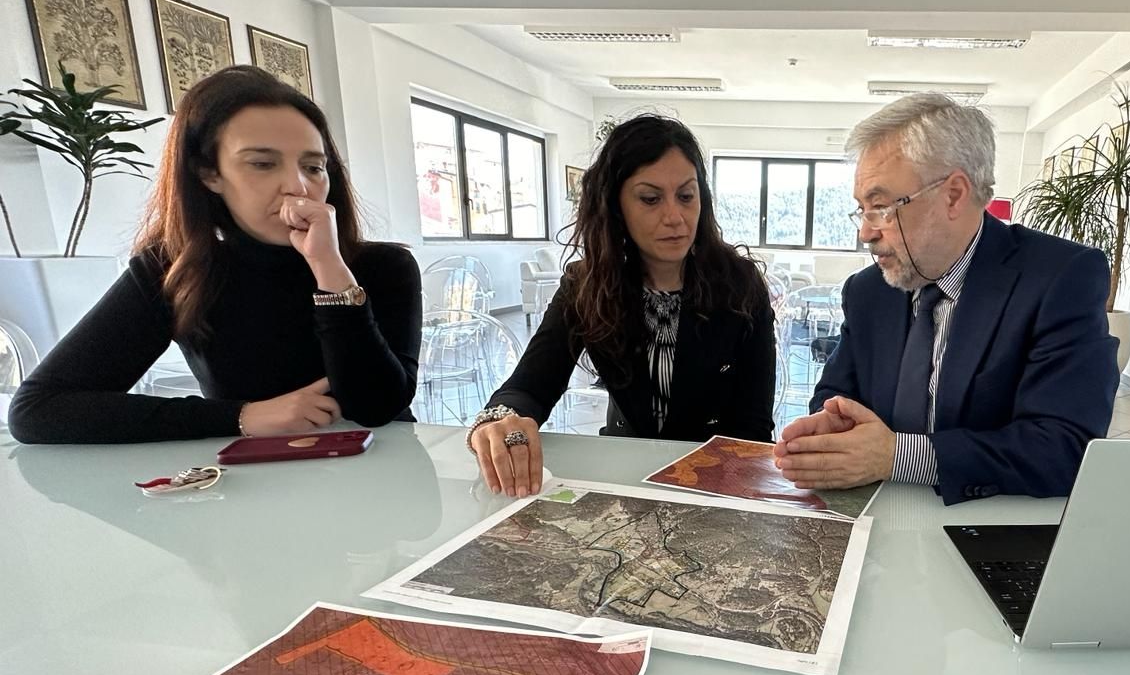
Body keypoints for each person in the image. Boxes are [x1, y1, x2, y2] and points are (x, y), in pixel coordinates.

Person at [9, 65, 421, 444]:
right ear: (209, 174)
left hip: (381, 473)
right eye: (262, 163)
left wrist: (329, 270)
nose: (297, 187)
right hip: (251, 485)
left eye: (313, 167)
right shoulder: (175, 271)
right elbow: (38, 410)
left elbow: (378, 407)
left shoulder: (384, 268)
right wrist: (242, 417)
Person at [774, 92, 1118, 503]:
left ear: (954, 194)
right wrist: (832, 432)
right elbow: (834, 395)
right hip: (878, 517)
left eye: (881, 207)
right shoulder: (868, 292)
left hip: (989, 526)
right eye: (862, 210)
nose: (865, 232)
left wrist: (898, 457)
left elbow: (1067, 448)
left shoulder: (1059, 278)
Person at [469, 115, 775, 496]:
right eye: (650, 199)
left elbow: (754, 427)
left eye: (686, 195)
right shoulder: (588, 285)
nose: (675, 217)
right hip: (624, 473)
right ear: (615, 207)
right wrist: (500, 420)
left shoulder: (741, 286)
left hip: (716, 479)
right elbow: (531, 385)